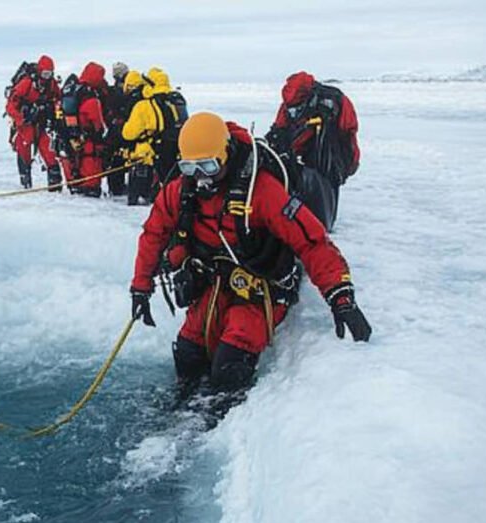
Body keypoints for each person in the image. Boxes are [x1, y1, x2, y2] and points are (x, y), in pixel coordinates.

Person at [129, 112, 372, 411]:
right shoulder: (180, 190)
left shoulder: (262, 191)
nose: (201, 178)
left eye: (208, 166)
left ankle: (224, 423)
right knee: (189, 355)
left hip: (261, 290)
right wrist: (140, 287)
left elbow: (311, 242)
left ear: (226, 154)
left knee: (230, 365)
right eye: (190, 168)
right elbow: (154, 233)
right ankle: (180, 416)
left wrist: (341, 297)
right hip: (213, 285)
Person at [266, 71, 360, 229]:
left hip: (331, 152)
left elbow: (349, 132)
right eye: (291, 108)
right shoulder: (288, 105)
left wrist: (351, 162)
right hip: (301, 149)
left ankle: (324, 224)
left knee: (327, 179)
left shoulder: (335, 101)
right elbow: (280, 127)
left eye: (296, 108)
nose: (293, 111)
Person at [121, 67, 183, 206]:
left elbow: (129, 133)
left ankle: (138, 195)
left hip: (150, 152)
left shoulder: (144, 106)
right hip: (174, 149)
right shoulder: (175, 101)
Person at [5, 55, 63, 190]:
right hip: (25, 124)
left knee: (49, 152)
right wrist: (21, 119)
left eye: (50, 73)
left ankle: (56, 186)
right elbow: (10, 106)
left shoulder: (52, 84)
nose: (47, 77)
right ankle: (25, 183)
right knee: (24, 150)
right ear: (39, 71)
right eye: (45, 73)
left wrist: (54, 111)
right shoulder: (26, 83)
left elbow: (59, 98)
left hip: (42, 123)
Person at [64, 62, 109, 197]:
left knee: (77, 163)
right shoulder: (91, 98)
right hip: (89, 140)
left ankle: (76, 185)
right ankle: (89, 189)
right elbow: (97, 123)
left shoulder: (72, 92)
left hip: (72, 136)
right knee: (90, 165)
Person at [104, 62, 131, 197]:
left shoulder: (111, 91)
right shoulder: (131, 90)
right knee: (122, 157)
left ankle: (116, 187)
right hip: (127, 128)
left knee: (115, 157)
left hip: (115, 128)